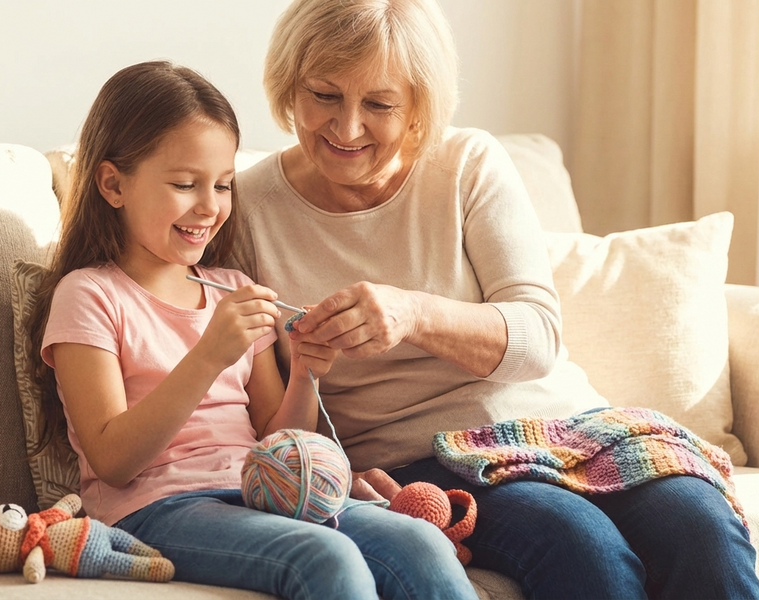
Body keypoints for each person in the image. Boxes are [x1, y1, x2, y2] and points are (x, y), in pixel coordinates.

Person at [231, 1, 759, 598]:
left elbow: (538, 338)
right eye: (324, 95)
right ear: (289, 85)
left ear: (416, 108)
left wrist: (413, 313)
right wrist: (331, 473)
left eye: (379, 104)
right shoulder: (246, 207)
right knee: (581, 545)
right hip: (420, 460)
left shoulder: (466, 164)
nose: (347, 127)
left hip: (566, 427)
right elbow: (252, 398)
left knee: (702, 528)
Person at [25, 60, 477, 600]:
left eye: (223, 184)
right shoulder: (89, 295)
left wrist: (305, 370)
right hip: (156, 509)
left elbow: (275, 438)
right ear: (113, 184)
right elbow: (113, 461)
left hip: (260, 490)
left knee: (421, 542)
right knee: (326, 557)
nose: (210, 206)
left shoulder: (230, 286)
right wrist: (208, 356)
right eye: (185, 184)